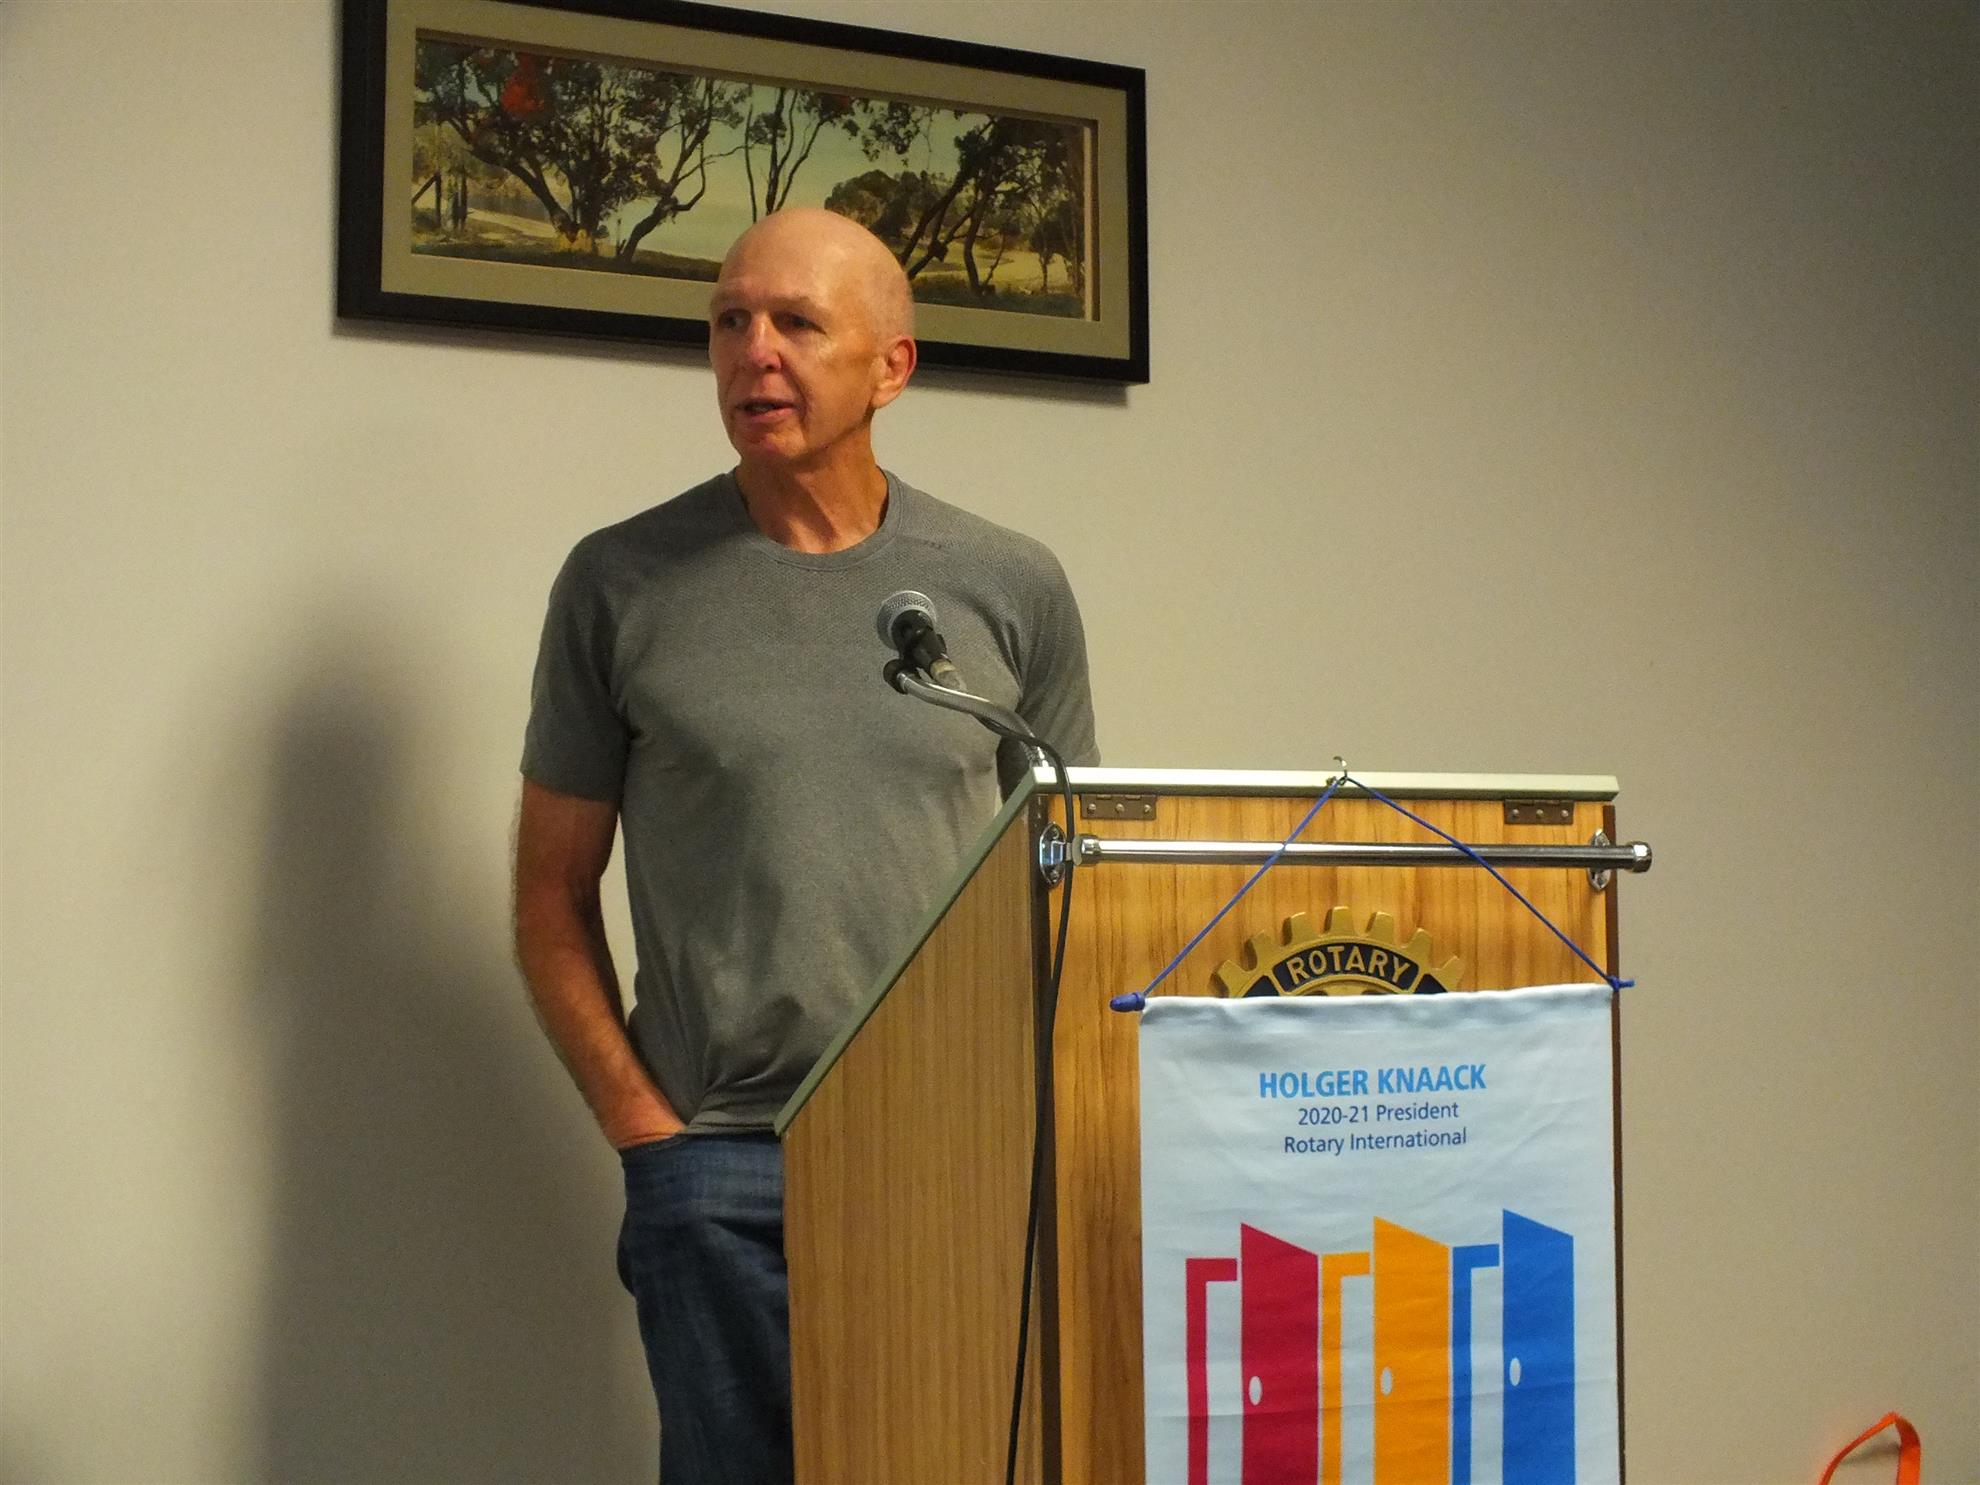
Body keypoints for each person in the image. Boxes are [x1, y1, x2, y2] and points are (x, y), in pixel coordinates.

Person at [511, 207, 1099, 1484]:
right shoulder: (619, 583)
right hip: (720, 1164)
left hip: (955, 1154)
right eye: (730, 321)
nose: (753, 352)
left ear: (892, 366)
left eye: (795, 322)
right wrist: (647, 1133)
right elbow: (550, 895)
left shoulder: (1007, 585)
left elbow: (1069, 884)